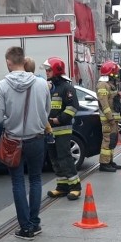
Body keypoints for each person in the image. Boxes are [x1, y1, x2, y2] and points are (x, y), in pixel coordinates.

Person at [0, 46, 51, 241]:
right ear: (24, 61)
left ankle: (26, 228)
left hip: (13, 141)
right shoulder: (41, 84)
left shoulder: (2, 86)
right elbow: (46, 111)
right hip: (36, 139)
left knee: (17, 183)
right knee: (35, 180)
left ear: (9, 62)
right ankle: (35, 222)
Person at [43, 57, 82, 201]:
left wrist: (59, 119)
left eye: (49, 70)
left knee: (65, 158)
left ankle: (75, 186)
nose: (46, 72)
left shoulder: (67, 87)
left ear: (56, 70)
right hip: (50, 130)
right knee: (54, 159)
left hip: (63, 129)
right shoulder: (49, 87)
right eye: (46, 70)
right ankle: (62, 186)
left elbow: (73, 107)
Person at [96, 60, 121, 172]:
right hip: (108, 119)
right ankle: (104, 163)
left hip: (113, 119)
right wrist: (110, 117)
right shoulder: (103, 85)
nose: (117, 74)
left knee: (112, 140)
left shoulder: (110, 84)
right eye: (115, 72)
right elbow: (104, 103)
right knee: (107, 140)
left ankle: (109, 161)